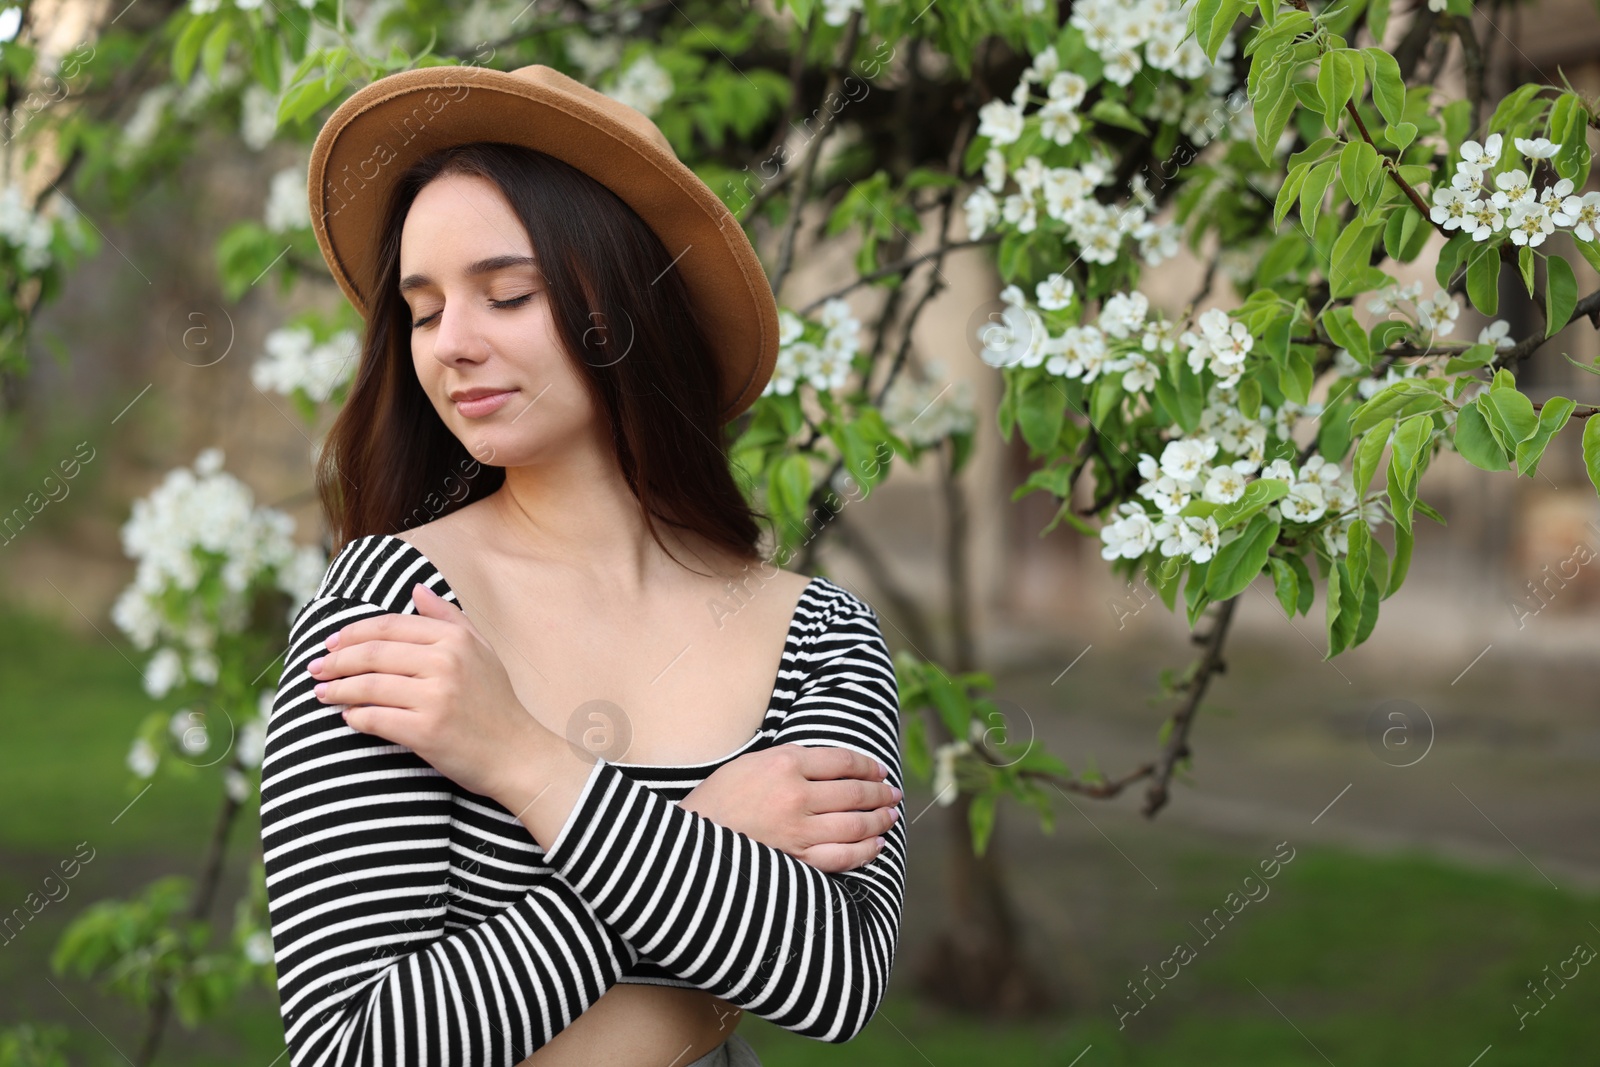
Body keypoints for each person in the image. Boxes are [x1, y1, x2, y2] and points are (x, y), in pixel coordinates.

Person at [257, 64, 908, 1067]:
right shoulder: (393, 608)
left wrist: (528, 761)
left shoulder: (818, 634)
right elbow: (355, 1047)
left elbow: (834, 978)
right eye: (423, 311)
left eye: (507, 293)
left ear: (629, 309)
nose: (453, 345)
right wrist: (705, 832)